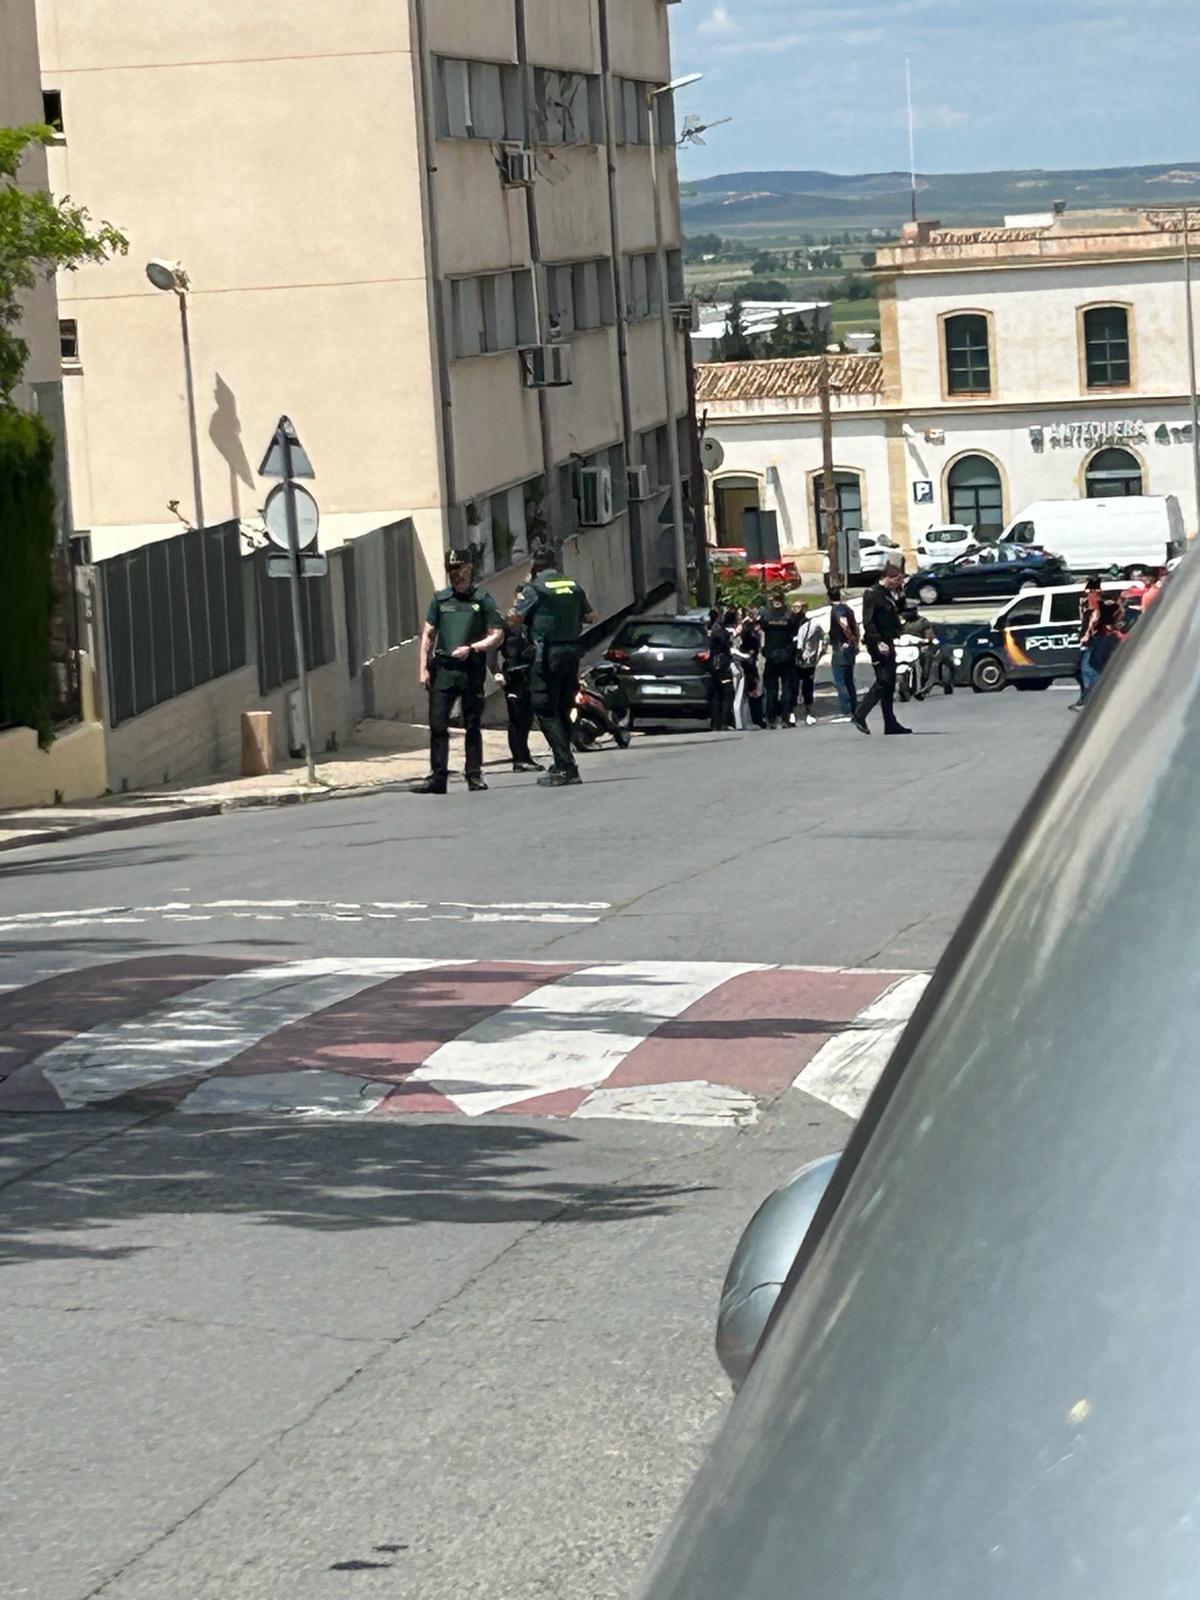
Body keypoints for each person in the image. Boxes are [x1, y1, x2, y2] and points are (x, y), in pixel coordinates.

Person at [413, 548, 505, 794]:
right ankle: (438, 777)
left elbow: (496, 634)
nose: (457, 577)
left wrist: (473, 648)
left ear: (470, 569)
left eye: (461, 571)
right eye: (452, 572)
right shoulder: (440, 600)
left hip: (471, 668)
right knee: (438, 724)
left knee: (472, 723)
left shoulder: (482, 599)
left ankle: (474, 775)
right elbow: (428, 635)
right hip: (443, 669)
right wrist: (423, 669)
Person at [515, 545, 596, 787]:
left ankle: (566, 766)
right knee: (562, 708)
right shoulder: (573, 585)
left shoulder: (534, 588)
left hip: (547, 654)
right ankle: (563, 761)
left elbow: (516, 618)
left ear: (534, 566)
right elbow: (592, 617)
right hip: (572, 652)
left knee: (544, 709)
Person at [852, 564, 911, 736]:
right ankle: (859, 714)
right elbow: (868, 620)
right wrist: (877, 641)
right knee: (883, 680)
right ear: (888, 577)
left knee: (890, 682)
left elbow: (897, 611)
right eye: (897, 580)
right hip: (877, 643)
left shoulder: (887, 594)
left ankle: (890, 723)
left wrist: (901, 595)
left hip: (888, 640)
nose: (898, 583)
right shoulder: (872, 594)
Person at [491, 589, 543, 773]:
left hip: (527, 675)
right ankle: (518, 759)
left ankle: (525, 755)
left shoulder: (527, 627)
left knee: (527, 717)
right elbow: (492, 652)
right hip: (513, 676)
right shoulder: (505, 627)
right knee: (516, 719)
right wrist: (497, 674)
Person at [1074, 595, 1123, 709]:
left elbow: (1102, 628)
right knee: (1087, 671)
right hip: (1094, 644)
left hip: (1098, 644)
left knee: (1091, 672)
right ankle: (1086, 699)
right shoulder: (1092, 613)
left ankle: (1088, 701)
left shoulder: (1101, 614)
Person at [760, 590, 799, 729]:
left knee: (771, 688)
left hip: (771, 655)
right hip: (786, 655)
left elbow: (763, 632)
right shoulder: (790, 616)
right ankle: (786, 716)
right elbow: (795, 636)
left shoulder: (766, 616)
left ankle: (771, 717)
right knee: (787, 687)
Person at [1069, 576, 1104, 711]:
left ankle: (1090, 699)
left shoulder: (1094, 600)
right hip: (1091, 640)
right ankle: (1086, 699)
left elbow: (1092, 620)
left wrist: (1085, 635)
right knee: (1084, 670)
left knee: (1088, 670)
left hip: (1092, 641)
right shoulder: (1091, 601)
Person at [827, 586, 860, 721]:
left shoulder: (838, 610)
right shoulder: (847, 608)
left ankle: (847, 708)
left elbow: (844, 623)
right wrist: (855, 641)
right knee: (849, 679)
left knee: (840, 680)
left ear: (828, 597)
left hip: (841, 648)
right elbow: (856, 625)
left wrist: (850, 637)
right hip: (849, 648)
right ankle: (854, 706)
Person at [793, 603, 826, 726]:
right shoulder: (793, 622)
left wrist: (819, 651)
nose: (796, 610)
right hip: (803, 659)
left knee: (805, 686)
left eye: (798, 607)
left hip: (804, 659)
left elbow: (799, 645)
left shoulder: (807, 624)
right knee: (800, 686)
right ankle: (800, 711)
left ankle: (805, 711)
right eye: (794, 607)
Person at [708, 609, 737, 730]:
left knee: (716, 695)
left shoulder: (709, 632)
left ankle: (715, 723)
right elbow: (726, 648)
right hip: (723, 665)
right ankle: (725, 722)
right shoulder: (721, 633)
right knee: (728, 693)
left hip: (712, 666)